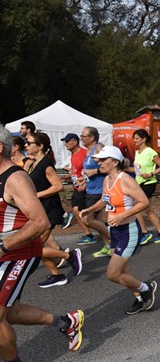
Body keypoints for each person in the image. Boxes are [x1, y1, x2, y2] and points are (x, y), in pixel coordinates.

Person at [0, 124, 84, 357]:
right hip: (4, 253)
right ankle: (66, 322)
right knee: (12, 312)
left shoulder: (15, 179)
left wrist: (2, 246)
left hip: (18, 253)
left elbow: (40, 222)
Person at [79, 146, 157, 315]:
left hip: (128, 231)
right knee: (123, 271)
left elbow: (144, 202)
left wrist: (122, 216)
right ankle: (140, 298)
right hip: (114, 231)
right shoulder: (107, 179)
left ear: (114, 162)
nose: (98, 162)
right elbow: (104, 200)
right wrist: (90, 209)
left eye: (102, 159)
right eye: (98, 159)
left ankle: (145, 288)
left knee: (113, 274)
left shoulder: (126, 180)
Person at [24, 132, 83, 288]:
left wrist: (36, 195)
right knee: (36, 247)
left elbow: (58, 186)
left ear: (40, 146)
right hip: (39, 211)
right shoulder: (33, 163)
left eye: (29, 143)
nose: (26, 146)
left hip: (50, 210)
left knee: (34, 248)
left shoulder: (46, 164)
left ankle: (69, 256)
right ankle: (57, 274)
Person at [129, 129, 160, 245]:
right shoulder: (137, 152)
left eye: (137, 138)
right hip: (139, 183)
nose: (134, 140)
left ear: (144, 139)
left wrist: (151, 174)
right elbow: (137, 171)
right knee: (148, 210)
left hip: (149, 183)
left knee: (137, 207)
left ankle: (144, 232)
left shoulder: (151, 152)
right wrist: (124, 168)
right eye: (134, 138)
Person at [80, 126, 112, 258]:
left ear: (92, 138)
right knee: (98, 219)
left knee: (87, 218)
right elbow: (90, 171)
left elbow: (110, 166)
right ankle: (108, 246)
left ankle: (117, 237)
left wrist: (95, 171)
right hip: (90, 188)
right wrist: (84, 180)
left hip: (100, 190)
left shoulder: (98, 148)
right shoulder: (88, 152)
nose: (81, 138)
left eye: (83, 136)